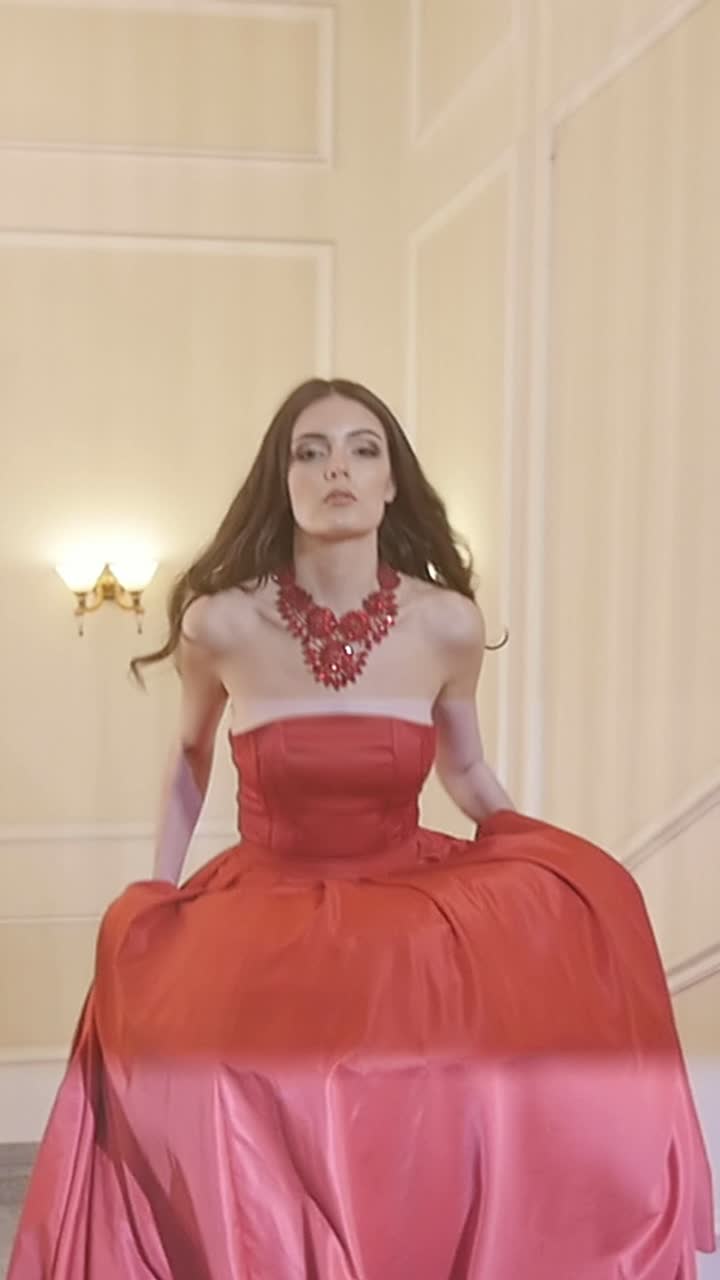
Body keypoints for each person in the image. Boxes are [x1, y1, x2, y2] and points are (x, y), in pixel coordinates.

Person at [8, 377, 715, 1279]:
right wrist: (159, 891)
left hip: (406, 899)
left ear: (390, 484)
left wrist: (537, 856)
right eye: (311, 450)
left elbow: (463, 767)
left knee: (450, 1089)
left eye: (363, 448)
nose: (337, 466)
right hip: (266, 901)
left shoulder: (447, 624)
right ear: (284, 481)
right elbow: (189, 762)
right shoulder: (220, 622)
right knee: (242, 1091)